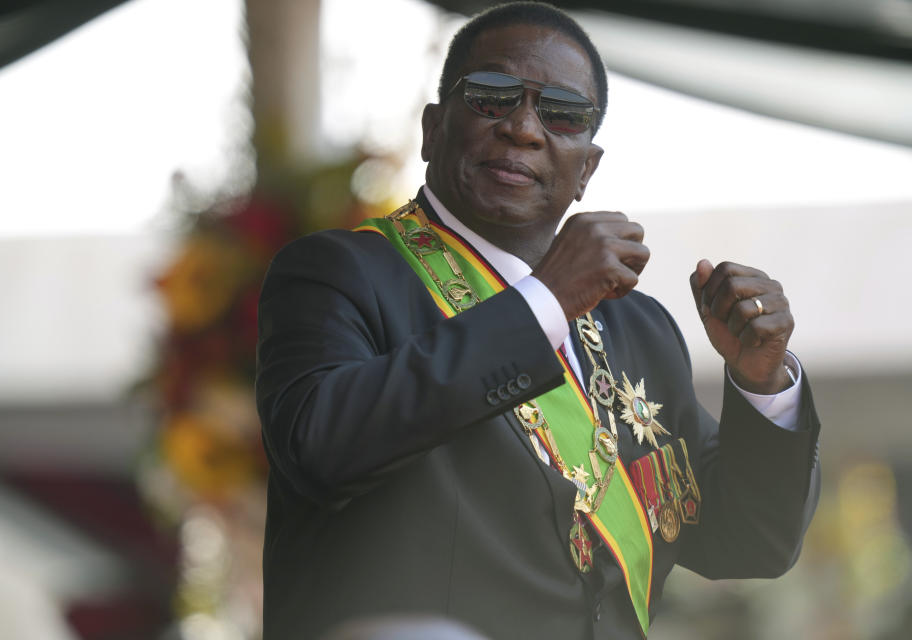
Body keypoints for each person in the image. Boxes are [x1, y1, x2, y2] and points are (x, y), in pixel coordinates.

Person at [255, 3, 820, 638]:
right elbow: (320, 448)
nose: (524, 128)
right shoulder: (340, 272)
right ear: (434, 130)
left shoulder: (641, 329)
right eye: (493, 96)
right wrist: (544, 299)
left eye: (562, 113)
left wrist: (764, 386)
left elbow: (748, 541)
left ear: (588, 168)